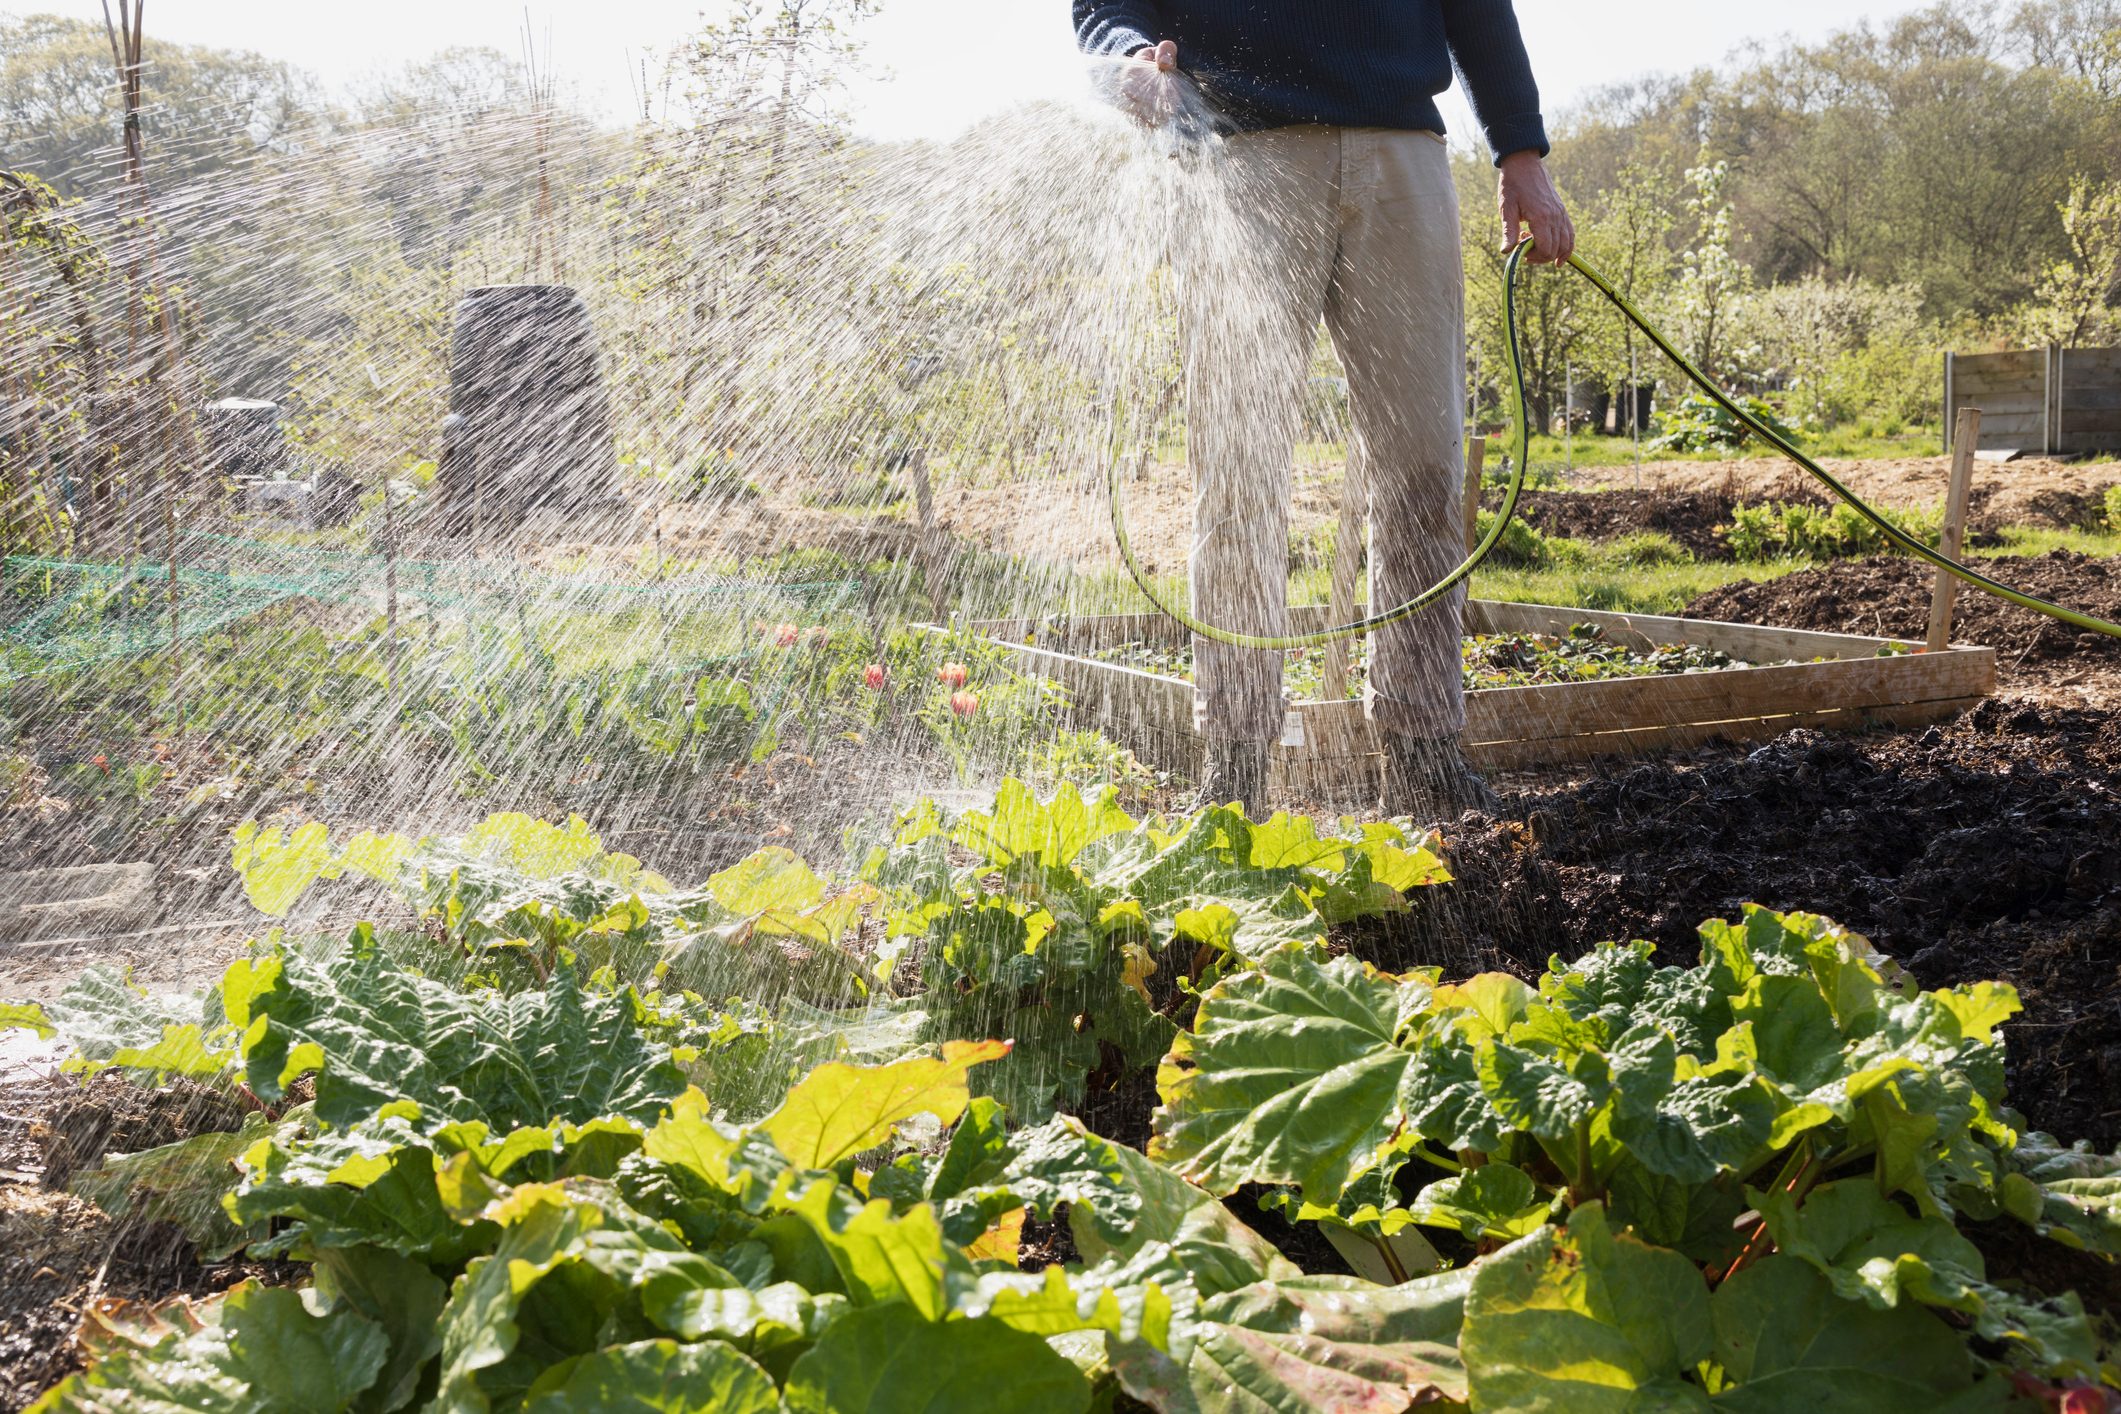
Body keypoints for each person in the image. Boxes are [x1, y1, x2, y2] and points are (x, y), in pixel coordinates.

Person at [1075, 2, 1574, 820]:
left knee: (1424, 466)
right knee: (1237, 475)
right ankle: (1234, 768)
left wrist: (1520, 149)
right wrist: (1128, 52)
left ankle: (1422, 755)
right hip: (1238, 160)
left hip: (1399, 151)